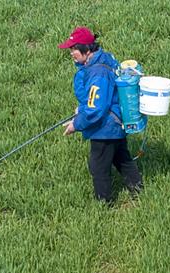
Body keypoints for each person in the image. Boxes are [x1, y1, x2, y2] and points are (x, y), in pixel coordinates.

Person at [59, 26, 143, 204]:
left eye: (74, 49)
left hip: (105, 126)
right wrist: (81, 109)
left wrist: (76, 124)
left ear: (87, 50)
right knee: (121, 157)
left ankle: (103, 204)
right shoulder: (104, 58)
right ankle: (138, 190)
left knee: (98, 166)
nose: (71, 53)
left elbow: (96, 109)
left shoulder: (97, 73)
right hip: (117, 120)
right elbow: (95, 99)